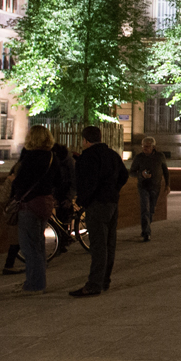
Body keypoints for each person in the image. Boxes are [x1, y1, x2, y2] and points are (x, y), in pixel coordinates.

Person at [71, 125, 128, 298]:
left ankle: (94, 284)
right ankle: (105, 280)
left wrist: (82, 201)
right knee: (109, 244)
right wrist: (113, 190)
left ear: (85, 140)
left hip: (97, 205)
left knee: (98, 246)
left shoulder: (88, 157)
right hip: (112, 203)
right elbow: (124, 175)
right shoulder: (112, 155)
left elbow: (88, 183)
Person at [9, 125, 60, 294]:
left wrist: (13, 181)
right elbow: (59, 180)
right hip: (45, 204)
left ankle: (34, 284)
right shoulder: (52, 156)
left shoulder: (30, 158)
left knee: (29, 246)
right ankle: (36, 281)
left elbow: (20, 182)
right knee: (38, 245)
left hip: (29, 204)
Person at [129, 135, 169, 242]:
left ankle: (146, 228)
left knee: (151, 210)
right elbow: (132, 172)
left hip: (155, 186)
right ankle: (146, 232)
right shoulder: (139, 158)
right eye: (143, 146)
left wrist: (167, 185)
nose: (145, 148)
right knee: (145, 209)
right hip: (143, 186)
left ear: (153, 147)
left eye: (147, 146)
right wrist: (141, 174)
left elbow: (165, 171)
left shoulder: (160, 157)